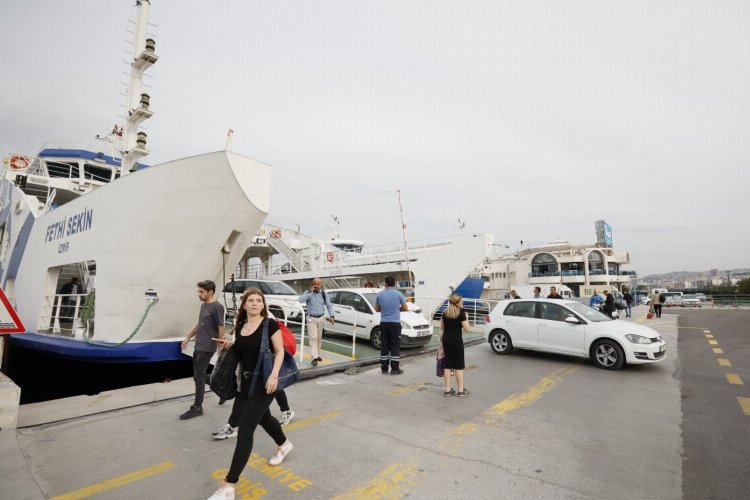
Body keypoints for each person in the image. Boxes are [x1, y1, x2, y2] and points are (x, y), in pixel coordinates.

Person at [208, 288, 292, 500]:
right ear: (244, 305)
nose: (254, 303)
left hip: (265, 384)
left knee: (245, 430)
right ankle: (284, 444)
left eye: (258, 301)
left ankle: (229, 485)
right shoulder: (241, 325)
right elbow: (241, 351)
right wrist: (229, 346)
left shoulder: (269, 325)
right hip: (244, 383)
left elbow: (280, 351)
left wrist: (274, 376)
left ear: (263, 305)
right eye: (250, 301)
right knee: (263, 418)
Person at [180, 280, 225, 420]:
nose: (198, 294)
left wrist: (220, 345)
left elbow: (221, 327)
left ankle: (197, 407)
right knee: (197, 376)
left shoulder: (217, 307)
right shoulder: (204, 305)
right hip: (199, 345)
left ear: (210, 292)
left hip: (207, 347)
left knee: (199, 377)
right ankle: (222, 389)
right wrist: (188, 337)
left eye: (201, 292)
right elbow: (200, 324)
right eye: (198, 291)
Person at [375, 276, 408, 375]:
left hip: (384, 323)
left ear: (385, 283)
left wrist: (385, 310)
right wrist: (397, 309)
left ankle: (384, 369)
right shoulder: (399, 294)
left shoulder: (380, 294)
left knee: (384, 345)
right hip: (395, 323)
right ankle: (394, 369)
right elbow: (405, 308)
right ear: (394, 283)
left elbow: (377, 309)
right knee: (395, 345)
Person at [298, 278, 335, 366]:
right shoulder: (307, 293)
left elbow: (329, 305)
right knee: (313, 338)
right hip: (311, 319)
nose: (317, 286)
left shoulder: (323, 294)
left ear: (320, 285)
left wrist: (332, 316)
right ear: (312, 285)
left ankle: (317, 354)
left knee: (319, 338)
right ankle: (314, 358)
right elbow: (300, 300)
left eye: (318, 284)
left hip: (321, 318)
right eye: (315, 284)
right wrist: (310, 293)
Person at [441, 294, 471, 397]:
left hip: (446, 340)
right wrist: (466, 318)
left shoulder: (445, 313)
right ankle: (461, 390)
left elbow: (442, 327)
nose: (462, 303)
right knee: (458, 365)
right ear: (458, 302)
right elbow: (467, 329)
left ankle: (448, 390)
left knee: (447, 365)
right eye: (461, 301)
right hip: (456, 340)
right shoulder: (461, 313)